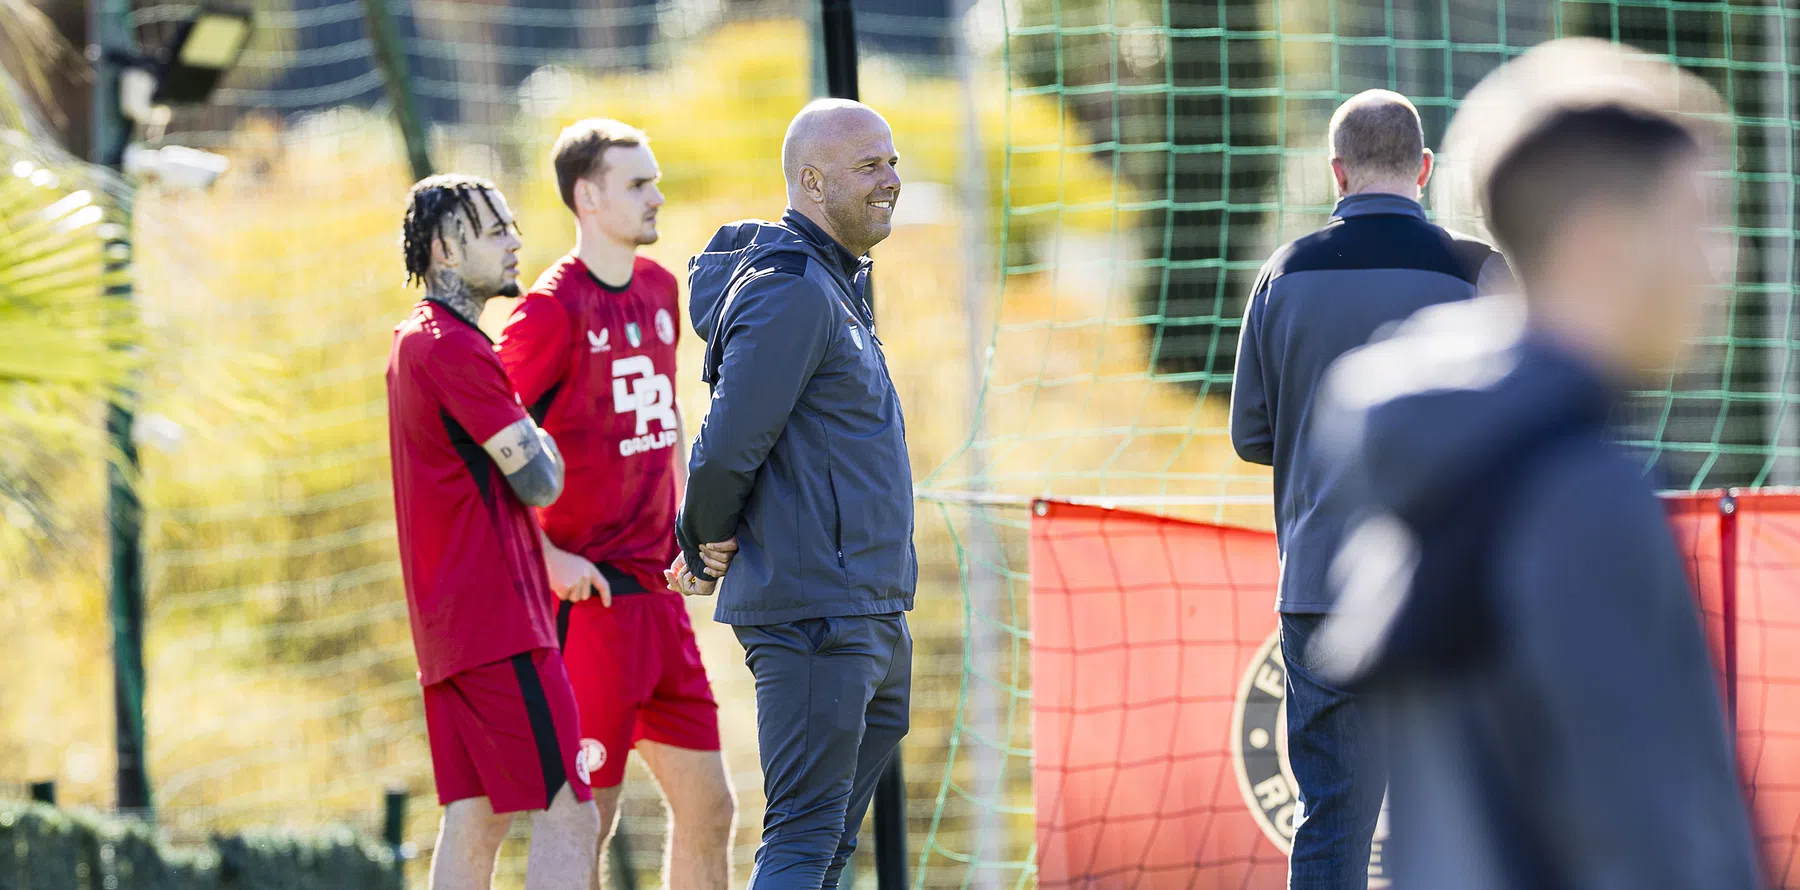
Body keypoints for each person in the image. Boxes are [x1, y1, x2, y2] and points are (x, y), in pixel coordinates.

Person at [1310, 39, 1761, 889]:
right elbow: (1653, 845)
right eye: (1697, 220)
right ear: (1599, 245)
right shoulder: (1582, 496)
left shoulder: (1449, 460)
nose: (1720, 261)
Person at [1227, 89, 1509, 889]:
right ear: (1423, 169)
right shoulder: (1478, 271)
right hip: (1452, 590)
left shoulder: (1283, 274)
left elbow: (1252, 434)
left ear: (1337, 172)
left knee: (1334, 818)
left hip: (1320, 586)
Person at [666, 98, 914, 890]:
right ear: (811, 180)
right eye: (869, 164)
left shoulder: (838, 284)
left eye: (893, 160)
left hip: (867, 607)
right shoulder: (793, 290)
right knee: (803, 842)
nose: (891, 179)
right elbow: (728, 443)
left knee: (828, 847)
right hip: (816, 613)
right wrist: (699, 539)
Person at [497, 118, 737, 890]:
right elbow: (480, 446)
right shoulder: (548, 310)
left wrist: (687, 532)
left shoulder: (662, 290)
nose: (657, 195)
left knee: (711, 808)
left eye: (656, 180)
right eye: (638, 184)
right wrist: (546, 558)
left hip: (656, 601)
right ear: (588, 196)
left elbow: (657, 434)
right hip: (587, 607)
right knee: (581, 824)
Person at [385, 174, 601, 890]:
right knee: (571, 810)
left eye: (512, 225)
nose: (516, 242)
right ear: (446, 250)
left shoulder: (414, 342)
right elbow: (540, 480)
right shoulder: (455, 349)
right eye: (495, 230)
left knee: (475, 821)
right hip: (498, 628)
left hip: (453, 634)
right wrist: (545, 437)